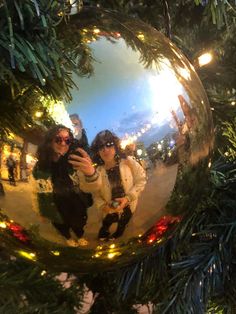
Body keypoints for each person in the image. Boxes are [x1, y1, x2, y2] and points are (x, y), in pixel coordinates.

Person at [32, 125, 96, 247]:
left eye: (67, 140)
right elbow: (35, 190)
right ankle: (67, 237)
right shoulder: (41, 166)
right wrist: (39, 210)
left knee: (79, 221)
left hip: (75, 199)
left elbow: (93, 187)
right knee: (60, 223)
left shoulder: (75, 160)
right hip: (54, 202)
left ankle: (80, 235)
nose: (63, 143)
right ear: (50, 141)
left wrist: (91, 173)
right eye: (58, 139)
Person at [90, 130, 146, 240]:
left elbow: (141, 179)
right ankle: (103, 233)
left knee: (123, 222)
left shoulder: (127, 162)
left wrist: (128, 198)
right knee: (107, 222)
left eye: (109, 144)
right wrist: (103, 206)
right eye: (101, 147)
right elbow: (96, 194)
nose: (105, 149)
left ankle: (117, 234)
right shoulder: (98, 171)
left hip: (128, 205)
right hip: (109, 208)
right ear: (97, 151)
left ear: (115, 146)